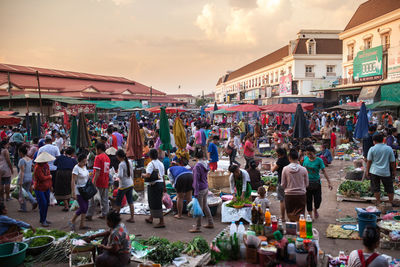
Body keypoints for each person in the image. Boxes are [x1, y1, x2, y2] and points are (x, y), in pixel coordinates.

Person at [366, 133, 397, 206]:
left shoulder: (372, 149)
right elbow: (392, 162)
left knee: (376, 187)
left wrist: (367, 170)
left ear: (374, 141)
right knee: (389, 187)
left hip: (374, 171)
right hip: (385, 172)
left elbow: (369, 161)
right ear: (383, 140)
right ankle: (391, 202)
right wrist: (394, 171)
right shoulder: (388, 148)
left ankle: (378, 201)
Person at [303, 145, 332, 219]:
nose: (309, 155)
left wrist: (329, 182)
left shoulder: (319, 160)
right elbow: (303, 171)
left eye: (310, 154)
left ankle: (315, 209)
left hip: (316, 183)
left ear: (314, 152)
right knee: (308, 200)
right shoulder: (305, 159)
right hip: (307, 184)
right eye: (307, 154)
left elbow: (324, 171)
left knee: (318, 200)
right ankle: (310, 216)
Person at [281, 149, 309, 222]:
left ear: (289, 158)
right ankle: (300, 230)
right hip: (301, 195)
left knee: (291, 215)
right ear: (298, 158)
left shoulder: (285, 169)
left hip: (289, 195)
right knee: (300, 215)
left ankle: (292, 230)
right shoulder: (303, 169)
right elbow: (307, 184)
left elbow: (283, 184)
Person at [190, 148, 213, 233]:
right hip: (205, 187)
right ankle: (210, 222)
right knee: (205, 206)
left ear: (195, 156)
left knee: (198, 208)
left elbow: (196, 181)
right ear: (203, 156)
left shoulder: (197, 167)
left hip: (200, 189)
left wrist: (195, 192)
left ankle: (197, 227)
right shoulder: (205, 164)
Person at [86, 143, 111, 221]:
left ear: (99, 149)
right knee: (104, 199)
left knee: (93, 199)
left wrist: (93, 183)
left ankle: (89, 215)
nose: (96, 151)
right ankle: (105, 214)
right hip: (105, 181)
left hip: (98, 181)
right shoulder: (107, 157)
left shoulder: (98, 157)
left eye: (96, 149)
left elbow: (97, 172)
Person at [143, 149, 165, 228]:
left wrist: (143, 175)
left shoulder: (151, 164)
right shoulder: (161, 163)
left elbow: (148, 175)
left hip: (154, 185)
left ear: (150, 156)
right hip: (160, 184)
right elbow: (162, 176)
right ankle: (151, 218)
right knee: (155, 202)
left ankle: (161, 221)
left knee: (156, 203)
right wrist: (164, 187)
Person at [33, 152, 55, 227]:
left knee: (46, 204)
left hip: (46, 187)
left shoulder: (46, 165)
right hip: (39, 188)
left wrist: (51, 185)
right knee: (43, 204)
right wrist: (49, 177)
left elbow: (47, 176)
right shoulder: (37, 168)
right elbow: (42, 178)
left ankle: (43, 219)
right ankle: (43, 220)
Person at [70, 154, 90, 231]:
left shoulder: (84, 167)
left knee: (85, 207)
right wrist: (73, 192)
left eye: (86, 161)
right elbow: (73, 181)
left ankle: (82, 224)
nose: (85, 163)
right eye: (84, 161)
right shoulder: (76, 168)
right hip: (79, 190)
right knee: (83, 207)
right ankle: (72, 220)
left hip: (86, 190)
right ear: (80, 161)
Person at [54, 147, 77, 211]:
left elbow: (54, 163)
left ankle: (66, 205)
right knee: (68, 188)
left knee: (62, 189)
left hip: (60, 174)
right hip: (69, 174)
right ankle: (67, 204)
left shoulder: (60, 157)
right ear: (72, 153)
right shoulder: (73, 160)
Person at [115, 149, 135, 223]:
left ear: (119, 156)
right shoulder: (129, 161)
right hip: (130, 183)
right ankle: (132, 217)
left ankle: (116, 218)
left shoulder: (121, 164)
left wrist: (116, 175)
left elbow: (120, 175)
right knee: (130, 201)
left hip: (123, 185)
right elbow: (132, 172)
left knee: (118, 202)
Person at [271, 148, 290, 221]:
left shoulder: (280, 160)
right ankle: (290, 216)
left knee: (282, 200)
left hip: (281, 182)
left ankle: (283, 217)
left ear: (279, 153)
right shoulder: (288, 159)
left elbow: (272, 170)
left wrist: (272, 164)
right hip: (288, 182)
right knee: (288, 199)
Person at [17, 145, 37, 212]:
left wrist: (21, 181)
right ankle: (33, 201)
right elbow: (34, 167)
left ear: (21, 152)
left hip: (23, 177)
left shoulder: (22, 160)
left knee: (21, 193)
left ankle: (23, 207)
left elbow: (22, 171)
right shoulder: (29, 159)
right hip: (29, 177)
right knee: (27, 191)